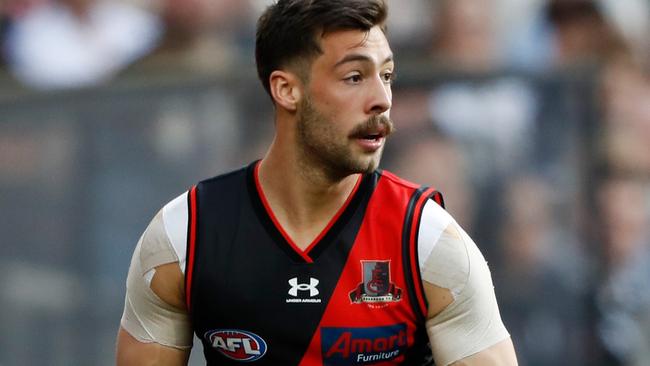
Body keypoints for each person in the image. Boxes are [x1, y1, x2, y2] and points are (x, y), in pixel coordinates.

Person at [115, 1, 517, 365]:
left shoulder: (428, 240)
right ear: (286, 90)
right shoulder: (184, 236)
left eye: (388, 75)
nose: (381, 98)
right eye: (355, 77)